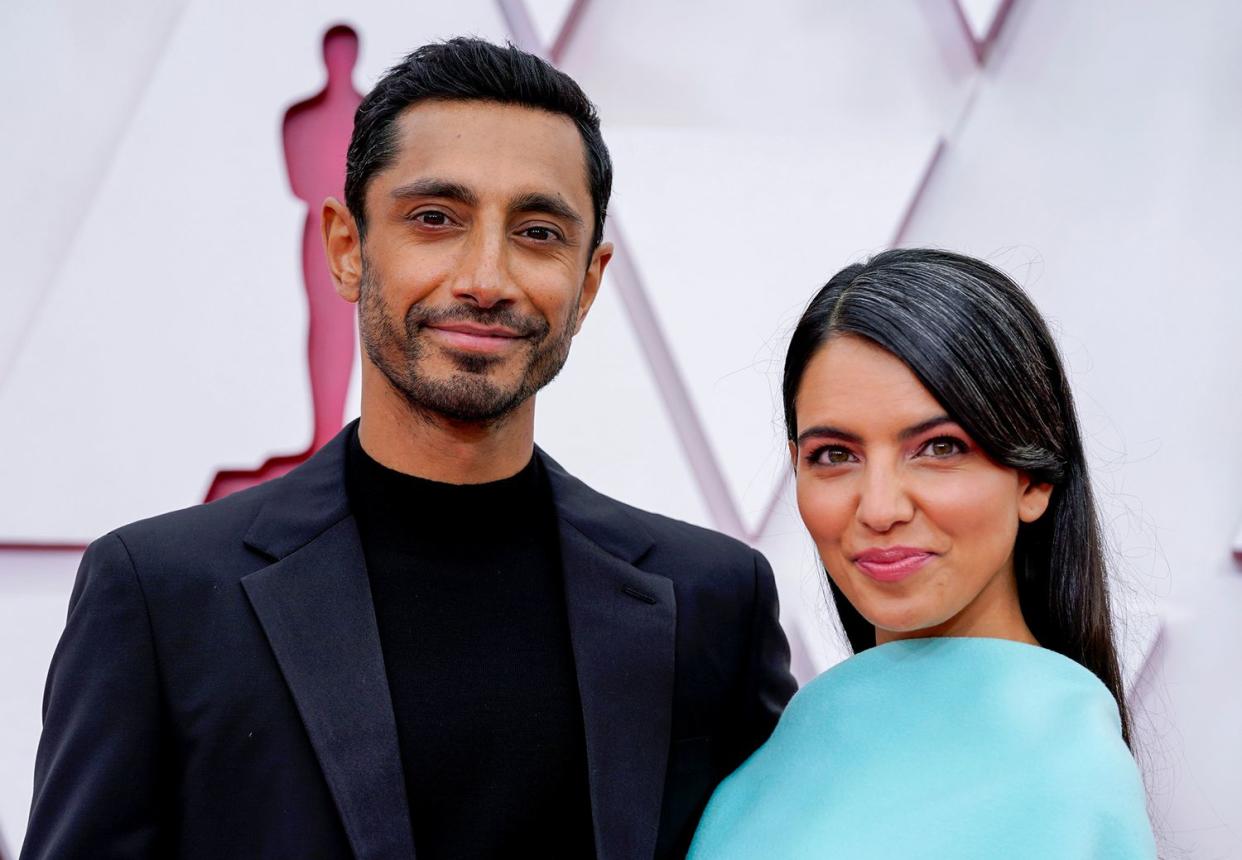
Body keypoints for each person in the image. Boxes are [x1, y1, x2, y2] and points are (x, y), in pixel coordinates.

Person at [21, 38, 796, 860]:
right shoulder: (159, 599)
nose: (486, 278)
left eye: (537, 232)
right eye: (436, 219)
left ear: (588, 283)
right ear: (348, 248)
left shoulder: (713, 602)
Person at [688, 249, 1156, 859]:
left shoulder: (1063, 770)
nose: (880, 508)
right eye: (834, 455)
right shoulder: (785, 745)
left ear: (1035, 478)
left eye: (939, 448)